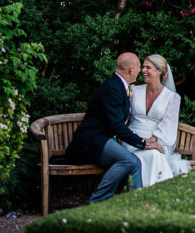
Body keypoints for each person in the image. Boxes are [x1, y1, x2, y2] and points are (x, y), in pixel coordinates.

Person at [65, 52, 164, 203]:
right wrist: (142, 143)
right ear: (131, 70)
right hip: (91, 142)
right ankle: (95, 203)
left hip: (102, 139)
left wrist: (142, 140)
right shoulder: (113, 88)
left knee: (134, 163)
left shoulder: (119, 85)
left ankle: (136, 206)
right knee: (130, 161)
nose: (140, 71)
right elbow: (117, 125)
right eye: (139, 67)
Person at [125, 54, 191, 185]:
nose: (143, 71)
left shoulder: (172, 98)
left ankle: (150, 192)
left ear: (159, 71)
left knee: (155, 153)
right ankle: (156, 191)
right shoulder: (133, 90)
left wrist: (152, 140)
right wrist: (138, 140)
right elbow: (124, 116)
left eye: (148, 67)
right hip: (132, 139)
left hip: (159, 139)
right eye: (143, 67)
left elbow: (169, 124)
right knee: (153, 154)